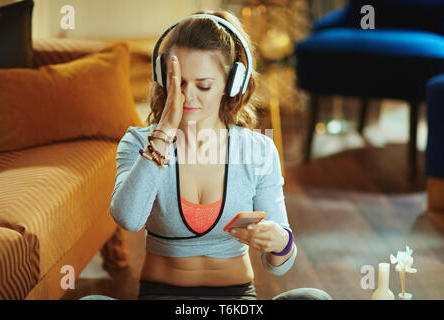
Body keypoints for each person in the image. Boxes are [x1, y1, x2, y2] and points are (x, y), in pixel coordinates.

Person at [104, 9, 332, 301]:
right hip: (162, 296)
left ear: (231, 83)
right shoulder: (138, 142)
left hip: (236, 302)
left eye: (204, 85)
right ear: (163, 78)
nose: (188, 97)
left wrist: (280, 241)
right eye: (179, 83)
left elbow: (278, 265)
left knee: (313, 299)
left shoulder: (257, 150)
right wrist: (164, 133)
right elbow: (128, 218)